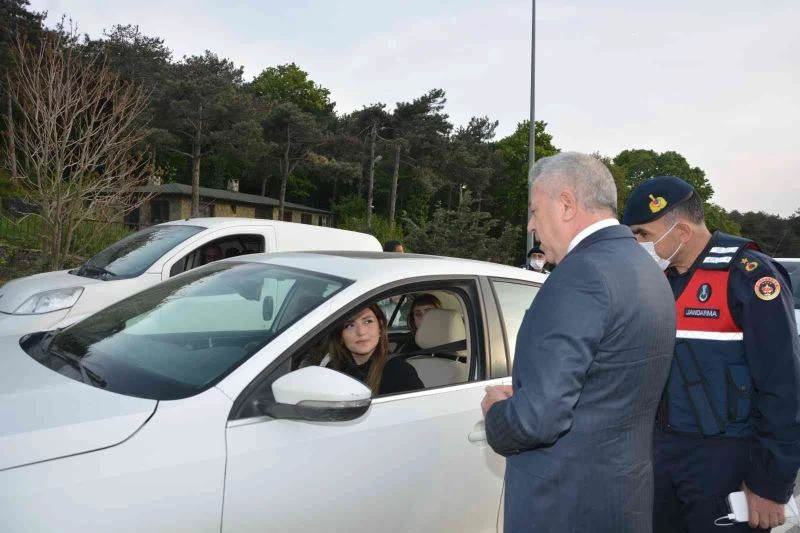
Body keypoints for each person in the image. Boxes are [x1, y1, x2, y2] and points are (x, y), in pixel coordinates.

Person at [481, 152, 676, 533]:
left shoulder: (579, 277)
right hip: (621, 501)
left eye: (535, 211)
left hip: (564, 508)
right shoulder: (646, 270)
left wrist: (496, 414)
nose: (531, 225)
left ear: (566, 204)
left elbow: (536, 420)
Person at [622, 175, 800, 532]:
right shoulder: (655, 281)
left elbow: (784, 388)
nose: (637, 244)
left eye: (643, 234)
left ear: (682, 232)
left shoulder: (748, 277)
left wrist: (770, 483)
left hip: (726, 462)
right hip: (658, 459)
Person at [327, 304, 423, 395]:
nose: (361, 332)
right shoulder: (333, 369)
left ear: (380, 328)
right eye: (350, 325)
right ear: (340, 336)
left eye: (368, 321)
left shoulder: (399, 371)